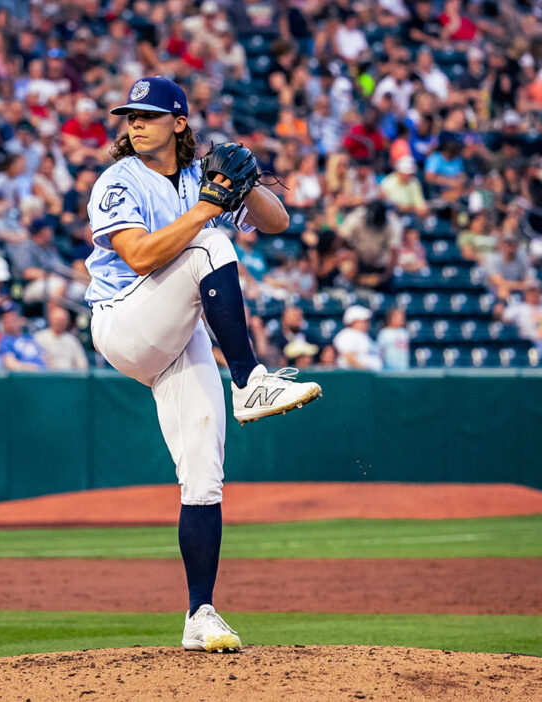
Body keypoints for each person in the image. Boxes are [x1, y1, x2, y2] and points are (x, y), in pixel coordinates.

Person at [84, 77, 320, 653]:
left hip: (178, 334)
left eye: (148, 114)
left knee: (204, 477)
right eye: (129, 115)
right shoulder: (119, 180)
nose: (134, 123)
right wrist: (212, 209)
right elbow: (138, 254)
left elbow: (278, 222)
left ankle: (200, 613)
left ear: (179, 122)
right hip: (125, 322)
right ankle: (249, 382)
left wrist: (250, 182)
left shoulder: (197, 179)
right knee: (211, 243)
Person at [34, 305, 89, 370]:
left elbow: (82, 364)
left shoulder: (72, 340)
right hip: (48, 375)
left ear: (67, 322)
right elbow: (35, 360)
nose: (59, 323)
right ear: (51, 320)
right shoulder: (39, 337)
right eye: (57, 320)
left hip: (69, 376)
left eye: (62, 320)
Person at [334, 305, 383, 371]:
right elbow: (348, 356)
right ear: (353, 321)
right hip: (355, 375)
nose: (366, 323)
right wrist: (365, 370)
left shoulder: (365, 335)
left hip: (369, 375)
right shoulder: (346, 334)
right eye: (363, 321)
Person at [0, 305, 47, 371]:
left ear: (22, 321)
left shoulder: (30, 338)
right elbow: (11, 364)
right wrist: (35, 368)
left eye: (13, 320)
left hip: (44, 373)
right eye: (6, 321)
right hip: (25, 376)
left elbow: (44, 358)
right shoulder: (4, 342)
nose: (10, 323)